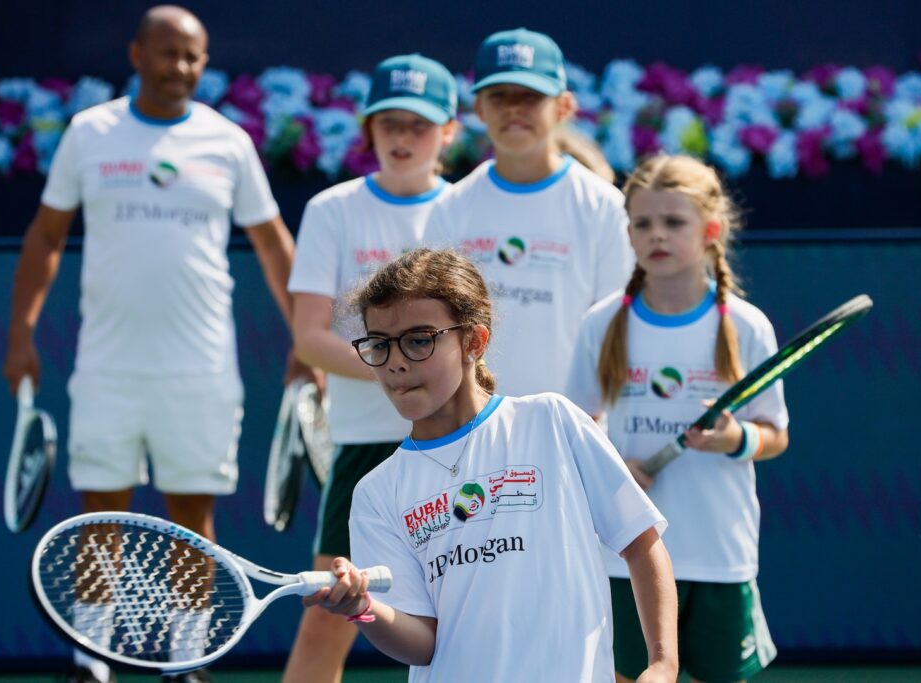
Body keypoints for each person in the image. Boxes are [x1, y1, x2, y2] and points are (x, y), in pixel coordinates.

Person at [1, 6, 302, 683]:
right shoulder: (90, 133)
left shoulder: (227, 142)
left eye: (193, 56)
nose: (181, 68)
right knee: (101, 511)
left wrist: (305, 338)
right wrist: (20, 333)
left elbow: (273, 242)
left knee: (192, 515)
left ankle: (187, 660)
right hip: (107, 366)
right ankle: (93, 662)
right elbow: (46, 237)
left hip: (200, 368)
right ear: (137, 55)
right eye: (168, 54)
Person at [303, 248, 679, 682]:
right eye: (379, 344)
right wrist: (363, 609)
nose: (396, 361)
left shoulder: (552, 421)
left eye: (419, 339)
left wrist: (664, 664)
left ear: (473, 341)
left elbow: (641, 542)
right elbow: (420, 644)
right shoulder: (375, 493)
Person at [565, 155, 790, 683]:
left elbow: (775, 435)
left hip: (718, 552)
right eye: (642, 223)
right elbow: (577, 428)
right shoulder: (601, 323)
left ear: (711, 230)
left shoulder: (748, 325)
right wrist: (615, 467)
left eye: (674, 222)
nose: (656, 235)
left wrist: (736, 439)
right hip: (628, 554)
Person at [281, 55, 458, 683]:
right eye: (390, 124)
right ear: (369, 131)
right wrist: (406, 374)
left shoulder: (469, 207)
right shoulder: (333, 209)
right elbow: (309, 339)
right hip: (365, 447)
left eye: (419, 123)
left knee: (469, 606)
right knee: (331, 611)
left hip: (459, 446)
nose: (404, 138)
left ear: (450, 131)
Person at [424, 27, 634, 398]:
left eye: (530, 96)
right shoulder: (450, 207)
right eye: (499, 95)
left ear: (564, 106)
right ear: (479, 108)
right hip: (473, 424)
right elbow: (434, 327)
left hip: (574, 421)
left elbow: (616, 328)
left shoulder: (602, 204)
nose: (514, 108)